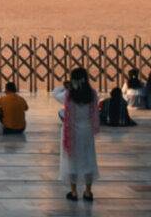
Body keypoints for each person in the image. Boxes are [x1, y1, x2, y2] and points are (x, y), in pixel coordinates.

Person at [53, 66, 99, 202]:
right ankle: (88, 192)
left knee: (71, 161)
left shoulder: (68, 95)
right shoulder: (92, 94)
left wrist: (65, 86)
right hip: (87, 131)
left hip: (71, 132)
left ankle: (73, 192)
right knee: (88, 159)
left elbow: (55, 93)